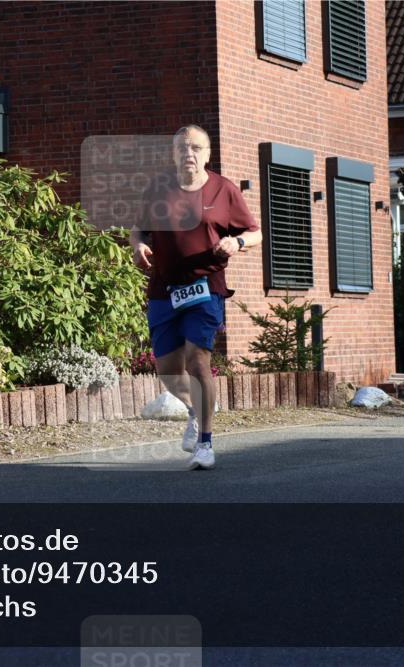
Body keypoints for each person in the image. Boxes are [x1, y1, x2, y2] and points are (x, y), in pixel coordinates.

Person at [129, 125, 262, 470]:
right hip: (163, 288)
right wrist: (139, 245)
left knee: (197, 359)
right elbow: (139, 227)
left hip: (206, 286)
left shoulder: (224, 190)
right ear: (173, 154)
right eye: (182, 148)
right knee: (168, 369)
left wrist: (238, 242)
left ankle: (206, 442)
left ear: (207, 154)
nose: (189, 154)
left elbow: (254, 231)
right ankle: (196, 409)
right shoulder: (158, 189)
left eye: (196, 148)